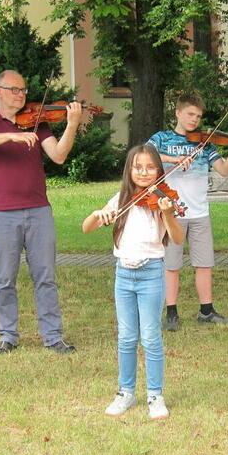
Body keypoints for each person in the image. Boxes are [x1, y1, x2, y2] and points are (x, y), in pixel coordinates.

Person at [0, 69, 83, 354]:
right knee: (4, 278)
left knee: (46, 276)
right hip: (2, 213)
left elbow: (59, 155)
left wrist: (73, 124)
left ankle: (53, 337)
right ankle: (7, 335)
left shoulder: (38, 123)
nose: (21, 95)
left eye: (24, 90)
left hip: (39, 210)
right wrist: (10, 136)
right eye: (14, 90)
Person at [82, 145, 184, 419]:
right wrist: (97, 215)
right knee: (126, 337)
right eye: (138, 167)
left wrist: (168, 214)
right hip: (123, 275)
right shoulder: (119, 199)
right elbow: (87, 227)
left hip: (151, 273)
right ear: (129, 171)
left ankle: (155, 395)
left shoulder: (163, 202)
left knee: (150, 337)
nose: (144, 172)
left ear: (159, 172)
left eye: (151, 167)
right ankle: (125, 392)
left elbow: (177, 239)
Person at [146, 93, 228, 331]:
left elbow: (224, 171)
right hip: (171, 211)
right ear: (178, 113)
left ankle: (206, 311)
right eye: (190, 114)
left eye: (198, 116)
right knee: (171, 264)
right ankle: (171, 313)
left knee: (204, 264)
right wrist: (174, 158)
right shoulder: (162, 139)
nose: (194, 120)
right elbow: (144, 155)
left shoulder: (204, 143)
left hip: (199, 212)